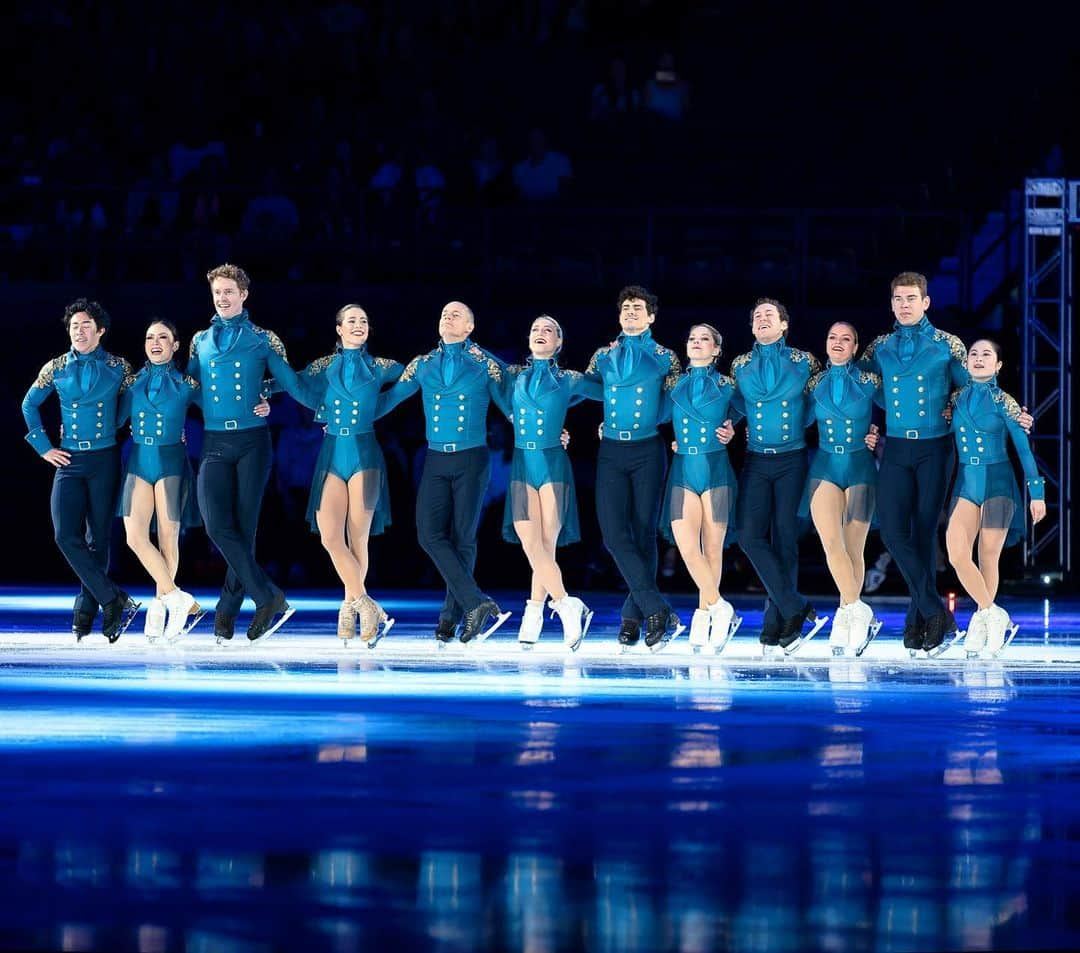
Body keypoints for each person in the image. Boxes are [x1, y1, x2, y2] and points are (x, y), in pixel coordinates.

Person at [859, 272, 1033, 655]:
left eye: (911, 298)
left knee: (923, 534)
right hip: (896, 447)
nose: (904, 304)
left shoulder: (946, 345)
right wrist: (869, 425)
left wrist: (1012, 414)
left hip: (936, 448)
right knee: (891, 531)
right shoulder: (879, 347)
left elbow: (974, 386)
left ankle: (918, 617)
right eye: (898, 298)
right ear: (891, 304)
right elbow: (863, 389)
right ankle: (934, 609)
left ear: (926, 303)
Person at [118, 319, 271, 642]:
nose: (155, 342)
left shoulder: (188, 384)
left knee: (168, 539)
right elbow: (114, 419)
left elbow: (222, 403)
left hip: (172, 462)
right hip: (138, 463)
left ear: (176, 345)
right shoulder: (133, 382)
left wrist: (261, 400)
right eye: (149, 337)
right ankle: (178, 599)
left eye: (163, 337)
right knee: (134, 537)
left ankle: (162, 607)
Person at [188, 263, 311, 644]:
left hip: (253, 442)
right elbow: (189, 386)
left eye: (229, 292)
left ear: (244, 294)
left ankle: (226, 611)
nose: (222, 298)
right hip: (214, 442)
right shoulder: (200, 340)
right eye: (217, 293)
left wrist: (267, 394)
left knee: (244, 530)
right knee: (217, 526)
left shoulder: (264, 339)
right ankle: (267, 596)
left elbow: (290, 380)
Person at [377, 301, 512, 644]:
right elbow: (388, 399)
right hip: (436, 459)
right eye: (443, 314)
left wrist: (548, 432)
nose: (447, 317)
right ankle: (475, 603)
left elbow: (511, 406)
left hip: (471, 457)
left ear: (470, 327)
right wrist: (343, 415)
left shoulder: (484, 365)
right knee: (429, 533)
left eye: (456, 314)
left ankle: (451, 616)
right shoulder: (423, 364)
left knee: (462, 537)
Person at [22, 298, 139, 642]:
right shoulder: (56, 367)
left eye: (86, 325)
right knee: (64, 535)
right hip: (69, 461)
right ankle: (113, 598)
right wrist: (44, 448)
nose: (79, 331)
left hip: (104, 459)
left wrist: (118, 426)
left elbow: (133, 401)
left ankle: (86, 611)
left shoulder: (119, 367)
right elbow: (29, 404)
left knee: (99, 539)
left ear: (100, 331)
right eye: (74, 326)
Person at [296, 304, 403, 646]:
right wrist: (262, 394)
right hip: (332, 453)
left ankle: (349, 607)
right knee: (330, 537)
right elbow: (293, 383)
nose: (359, 324)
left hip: (365, 453)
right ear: (339, 329)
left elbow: (413, 381)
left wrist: (375, 410)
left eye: (364, 321)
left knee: (358, 538)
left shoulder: (380, 366)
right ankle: (364, 603)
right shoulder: (323, 366)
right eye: (352, 320)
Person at [585, 285, 683, 650]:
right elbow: (587, 389)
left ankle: (632, 614)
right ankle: (656, 608)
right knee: (613, 533)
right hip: (612, 449)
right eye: (625, 307)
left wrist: (647, 421)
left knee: (643, 534)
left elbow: (676, 397)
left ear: (651, 316)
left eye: (638, 307)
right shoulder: (603, 356)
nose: (630, 312)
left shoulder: (664, 357)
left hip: (647, 449)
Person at [728, 298, 824, 656]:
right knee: (750, 535)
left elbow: (820, 398)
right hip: (756, 459)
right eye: (757, 316)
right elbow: (738, 403)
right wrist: (728, 425)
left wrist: (805, 423)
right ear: (752, 328)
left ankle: (777, 623)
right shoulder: (741, 365)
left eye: (770, 315)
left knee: (785, 539)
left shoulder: (804, 362)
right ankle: (795, 606)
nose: (762, 319)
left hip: (792, 458)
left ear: (784, 324)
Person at [500, 315, 602, 650]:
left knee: (545, 543)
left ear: (559, 343)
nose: (540, 333)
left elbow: (610, 392)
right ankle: (566, 604)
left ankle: (535, 612)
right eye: (535, 329)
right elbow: (485, 371)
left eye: (549, 330)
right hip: (522, 464)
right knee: (532, 543)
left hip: (553, 464)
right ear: (527, 339)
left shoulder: (569, 379)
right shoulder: (513, 377)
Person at [945, 340, 1045, 658]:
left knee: (988, 554)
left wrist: (1037, 494)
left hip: (999, 483)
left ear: (998, 365)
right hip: (966, 483)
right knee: (957, 553)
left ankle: (981, 620)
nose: (978, 358)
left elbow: (1024, 450)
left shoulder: (1006, 402)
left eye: (986, 354)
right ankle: (991, 613)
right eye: (973, 354)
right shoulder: (957, 399)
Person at [660, 324, 741, 653]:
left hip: (715, 469)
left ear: (716, 349)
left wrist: (732, 426)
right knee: (687, 546)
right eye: (692, 338)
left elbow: (747, 408)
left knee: (712, 548)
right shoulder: (673, 385)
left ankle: (705, 615)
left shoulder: (727, 385)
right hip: (683, 470)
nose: (696, 342)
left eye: (704, 339)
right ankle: (719, 606)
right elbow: (655, 414)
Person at [804, 322, 884, 657]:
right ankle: (856, 608)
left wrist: (878, 434)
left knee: (854, 547)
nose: (838, 342)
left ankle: (844, 614)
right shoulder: (814, 384)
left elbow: (902, 405)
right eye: (832, 337)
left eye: (846, 339)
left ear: (855, 348)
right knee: (831, 544)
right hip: (825, 466)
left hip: (859, 467)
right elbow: (795, 418)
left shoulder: (869, 381)